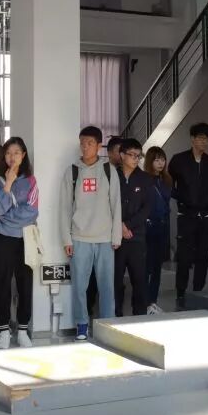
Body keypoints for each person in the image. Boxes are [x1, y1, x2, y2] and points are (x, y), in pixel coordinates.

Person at [61, 126, 121, 341]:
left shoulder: (108, 170)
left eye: (89, 143)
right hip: (79, 238)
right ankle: (82, 324)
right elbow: (65, 208)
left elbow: (116, 204)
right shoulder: (72, 171)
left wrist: (116, 236)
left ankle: (107, 325)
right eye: (82, 143)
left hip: (105, 238)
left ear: (98, 145)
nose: (85, 147)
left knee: (107, 285)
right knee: (80, 286)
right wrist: (66, 239)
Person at [0, 137, 38, 349]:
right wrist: (7, 183)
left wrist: (6, 215)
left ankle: (23, 329)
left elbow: (32, 212)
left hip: (25, 237)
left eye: (16, 153)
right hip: (2, 238)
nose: (12, 157)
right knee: (2, 283)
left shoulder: (31, 180)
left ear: (23, 155)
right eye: (8, 153)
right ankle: (4, 331)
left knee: (25, 283)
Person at [168, 122, 208, 309]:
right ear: (192, 139)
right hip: (186, 215)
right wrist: (181, 198)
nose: (204, 142)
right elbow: (168, 183)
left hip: (206, 215)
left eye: (207, 139)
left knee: (203, 256)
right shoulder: (179, 160)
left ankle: (198, 291)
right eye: (201, 138)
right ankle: (181, 293)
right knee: (184, 256)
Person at [115, 138, 150, 317]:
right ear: (122, 155)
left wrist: (127, 225)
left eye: (138, 156)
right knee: (115, 279)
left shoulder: (145, 179)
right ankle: (116, 315)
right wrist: (119, 226)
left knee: (139, 279)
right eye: (132, 155)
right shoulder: (111, 176)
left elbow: (147, 208)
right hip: (115, 238)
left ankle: (139, 316)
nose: (136, 159)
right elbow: (106, 205)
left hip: (137, 236)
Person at [143, 146, 172, 314]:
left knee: (157, 268)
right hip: (149, 228)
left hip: (163, 226)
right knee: (147, 267)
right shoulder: (144, 179)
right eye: (156, 160)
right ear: (150, 161)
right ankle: (146, 302)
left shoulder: (166, 179)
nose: (161, 163)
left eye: (163, 159)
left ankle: (153, 302)